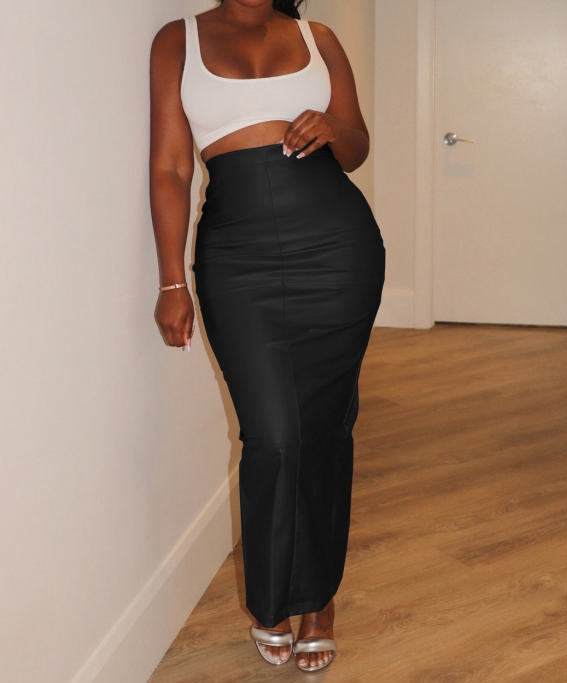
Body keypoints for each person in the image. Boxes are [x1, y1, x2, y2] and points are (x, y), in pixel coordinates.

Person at [149, 0, 385, 673]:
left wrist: (335, 127)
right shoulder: (178, 40)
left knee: (325, 430)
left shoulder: (318, 37)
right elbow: (171, 167)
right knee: (274, 436)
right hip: (237, 255)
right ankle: (272, 597)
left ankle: (318, 601)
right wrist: (172, 280)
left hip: (336, 248)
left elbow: (356, 149)